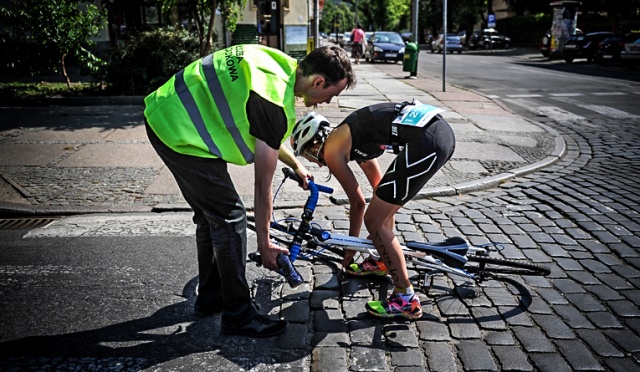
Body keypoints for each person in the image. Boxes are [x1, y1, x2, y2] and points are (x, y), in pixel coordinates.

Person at [144, 44, 355, 337]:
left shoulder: (276, 64)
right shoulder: (274, 101)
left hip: (165, 113)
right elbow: (262, 184)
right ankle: (238, 315)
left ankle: (211, 297)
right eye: (331, 95)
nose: (325, 102)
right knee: (230, 217)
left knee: (211, 216)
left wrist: (295, 164)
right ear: (319, 82)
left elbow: (265, 131)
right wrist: (265, 244)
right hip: (180, 132)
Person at [290, 101, 455, 319]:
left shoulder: (332, 150)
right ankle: (381, 260)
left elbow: (357, 202)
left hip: (427, 142)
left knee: (374, 221)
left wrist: (349, 248)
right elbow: (380, 190)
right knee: (381, 209)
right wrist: (380, 244)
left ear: (315, 142)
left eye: (309, 155)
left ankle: (405, 298)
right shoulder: (351, 136)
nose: (317, 164)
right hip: (438, 135)